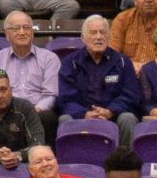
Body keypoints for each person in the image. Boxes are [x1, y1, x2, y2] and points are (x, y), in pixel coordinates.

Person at [58, 16, 141, 149]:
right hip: (82, 115)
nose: (98, 37)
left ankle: (125, 160)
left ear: (108, 37)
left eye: (102, 32)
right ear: (83, 38)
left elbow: (131, 95)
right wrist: (85, 114)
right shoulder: (70, 62)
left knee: (128, 118)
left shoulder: (123, 61)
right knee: (65, 119)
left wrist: (109, 111)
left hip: (114, 115)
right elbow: (66, 99)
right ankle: (70, 161)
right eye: (93, 32)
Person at [0, 10, 59, 144]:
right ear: (7, 34)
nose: (22, 32)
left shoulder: (49, 58)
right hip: (7, 111)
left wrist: (33, 111)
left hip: (39, 112)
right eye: (15, 28)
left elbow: (51, 95)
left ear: (32, 32)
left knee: (48, 117)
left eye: (26, 27)